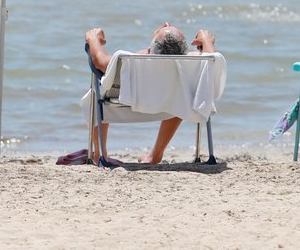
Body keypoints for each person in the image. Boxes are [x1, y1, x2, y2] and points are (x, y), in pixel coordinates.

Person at [85, 22, 218, 165]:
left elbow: (99, 60)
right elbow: (214, 60)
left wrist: (94, 39)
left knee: (100, 88)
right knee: (182, 91)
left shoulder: (127, 61)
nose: (166, 24)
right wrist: (206, 40)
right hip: (173, 106)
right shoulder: (196, 63)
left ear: (150, 49)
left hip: (125, 103)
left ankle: (100, 152)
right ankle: (154, 155)